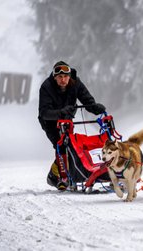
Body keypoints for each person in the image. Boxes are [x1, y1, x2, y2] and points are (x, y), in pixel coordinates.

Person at [38, 61, 106, 190]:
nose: (63, 80)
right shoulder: (46, 87)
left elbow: (87, 100)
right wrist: (60, 113)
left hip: (67, 120)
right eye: (60, 77)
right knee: (61, 145)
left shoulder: (76, 83)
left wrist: (95, 108)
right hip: (49, 121)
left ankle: (58, 173)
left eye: (65, 77)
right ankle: (60, 177)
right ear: (54, 77)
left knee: (70, 145)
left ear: (70, 76)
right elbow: (44, 112)